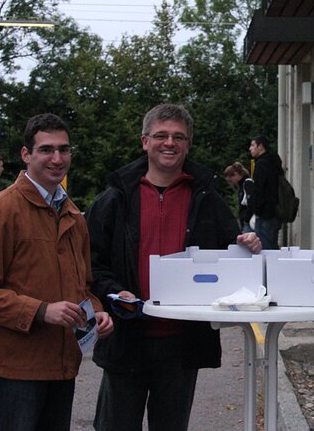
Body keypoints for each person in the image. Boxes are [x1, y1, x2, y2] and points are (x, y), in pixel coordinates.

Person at [86, 104, 262, 431]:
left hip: (181, 342)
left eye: (178, 137)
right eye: (161, 135)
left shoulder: (206, 197)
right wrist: (113, 292)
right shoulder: (115, 197)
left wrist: (251, 245)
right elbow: (91, 262)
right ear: (144, 141)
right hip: (127, 339)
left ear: (188, 144)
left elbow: (232, 255)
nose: (170, 143)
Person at [0, 113, 114, 431]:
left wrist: (96, 312)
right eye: (46, 150)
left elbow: (82, 285)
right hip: (15, 372)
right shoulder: (0, 211)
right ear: (26, 154)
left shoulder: (73, 215)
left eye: (64, 149)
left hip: (61, 367)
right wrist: (41, 311)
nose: (57, 159)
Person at [249, 135, 283, 249]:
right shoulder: (275, 163)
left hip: (264, 214)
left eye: (253, 145)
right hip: (276, 211)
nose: (250, 148)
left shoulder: (261, 164)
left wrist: (256, 210)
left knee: (263, 249)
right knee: (272, 246)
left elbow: (259, 189)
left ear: (261, 146)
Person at [223, 161, 255, 232]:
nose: (231, 183)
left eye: (230, 180)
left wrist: (246, 219)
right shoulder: (241, 186)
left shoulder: (247, 183)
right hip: (246, 220)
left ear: (236, 174)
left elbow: (251, 202)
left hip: (249, 221)